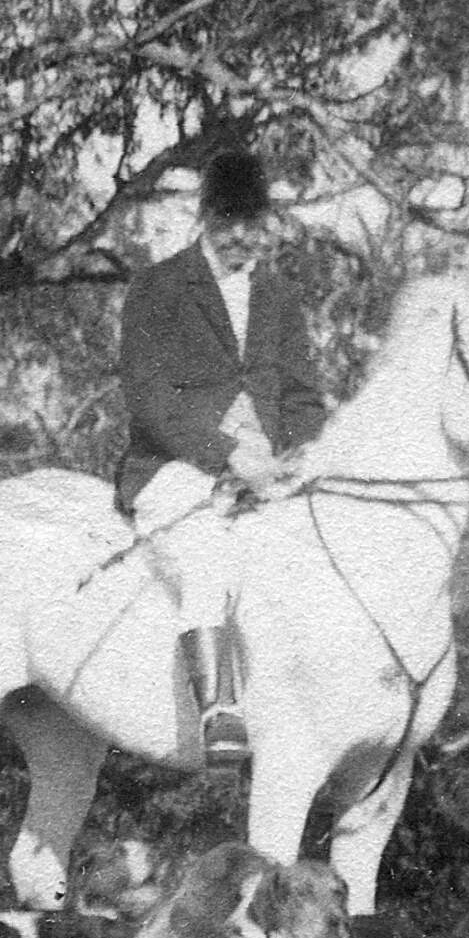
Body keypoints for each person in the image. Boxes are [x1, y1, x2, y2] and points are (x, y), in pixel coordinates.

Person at [116, 147, 326, 768]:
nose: (241, 236)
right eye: (228, 221)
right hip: (175, 468)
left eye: (252, 222)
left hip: (266, 468)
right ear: (205, 217)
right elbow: (148, 397)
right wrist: (228, 456)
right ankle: (218, 710)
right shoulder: (157, 288)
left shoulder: (279, 296)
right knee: (207, 548)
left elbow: (301, 395)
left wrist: (296, 455)